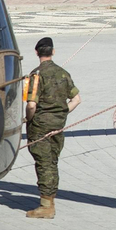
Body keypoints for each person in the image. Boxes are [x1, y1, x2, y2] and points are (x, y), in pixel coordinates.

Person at [24, 36, 80, 219]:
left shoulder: (36, 75)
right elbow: (76, 99)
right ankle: (50, 201)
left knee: (44, 164)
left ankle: (46, 207)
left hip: (40, 126)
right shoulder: (63, 73)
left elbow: (31, 104)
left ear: (36, 53)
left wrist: (28, 119)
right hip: (58, 124)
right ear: (53, 52)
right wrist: (62, 113)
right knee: (52, 161)